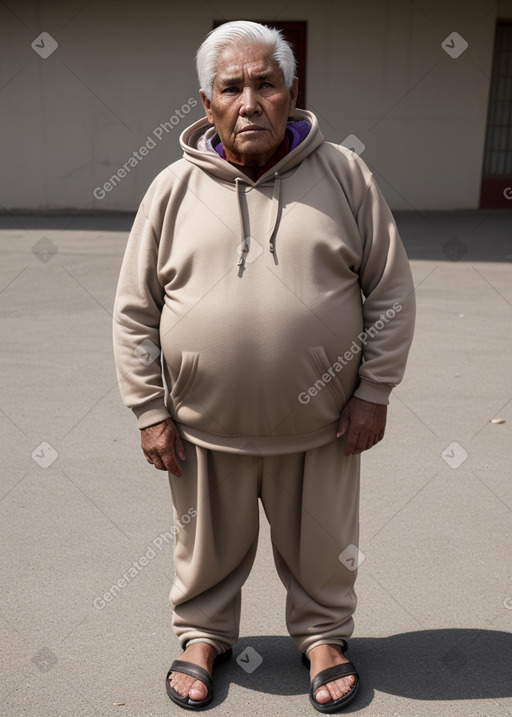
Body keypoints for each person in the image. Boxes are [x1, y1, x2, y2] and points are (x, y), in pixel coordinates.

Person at [113, 19, 415, 713]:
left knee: (323, 545)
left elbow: (391, 292)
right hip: (202, 430)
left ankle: (324, 637)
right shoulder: (171, 189)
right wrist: (149, 408)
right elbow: (135, 308)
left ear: (291, 92)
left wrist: (374, 391)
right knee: (203, 548)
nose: (250, 100)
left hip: (324, 425)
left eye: (265, 83)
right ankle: (201, 636)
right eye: (232, 87)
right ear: (207, 103)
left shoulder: (345, 175)